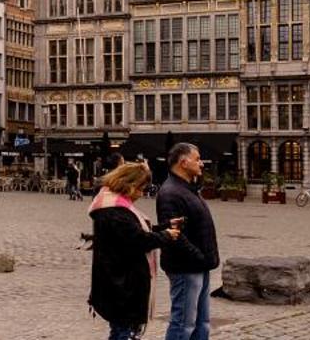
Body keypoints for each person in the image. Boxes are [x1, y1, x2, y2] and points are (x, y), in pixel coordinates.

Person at [86, 161, 183, 339]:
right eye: (141, 188)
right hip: (120, 283)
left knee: (123, 330)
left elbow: (136, 230)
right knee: (122, 332)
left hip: (120, 281)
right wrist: (166, 236)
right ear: (130, 185)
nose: (141, 193)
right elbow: (138, 239)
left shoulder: (114, 205)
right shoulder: (114, 210)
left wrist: (165, 226)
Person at [154, 142, 217, 340]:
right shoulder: (170, 193)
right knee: (183, 325)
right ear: (183, 162)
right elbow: (173, 234)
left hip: (200, 265)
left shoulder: (188, 189)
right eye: (197, 159)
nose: (202, 164)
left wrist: (204, 260)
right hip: (186, 268)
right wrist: (198, 257)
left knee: (202, 323)